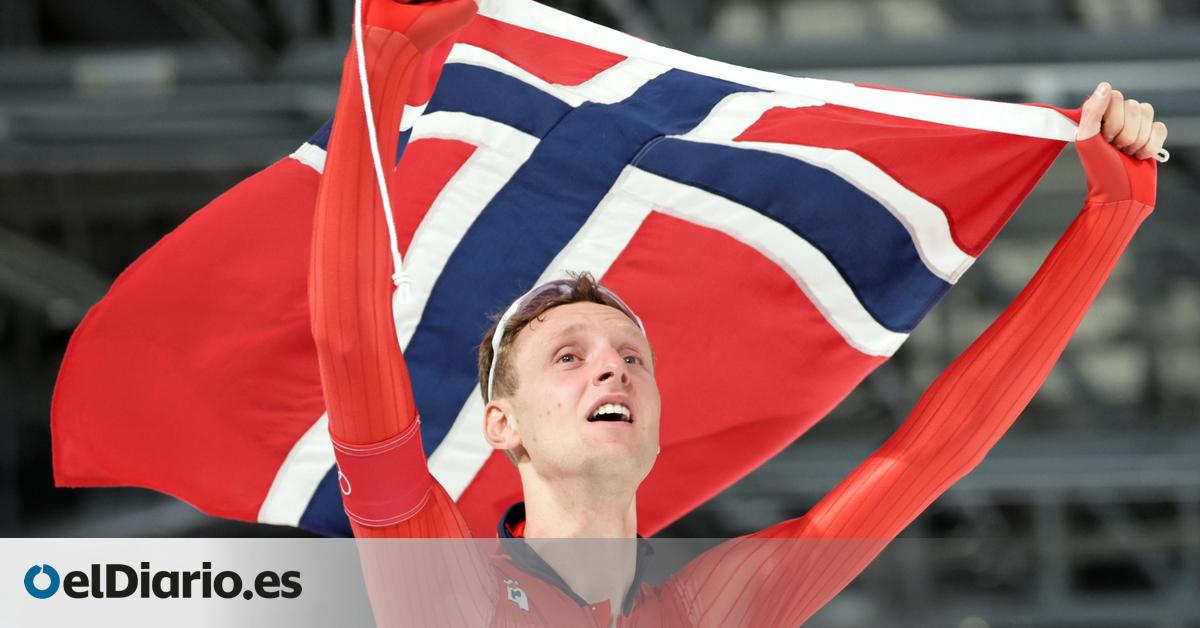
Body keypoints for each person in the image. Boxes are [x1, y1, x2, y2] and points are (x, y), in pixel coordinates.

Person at [309, 0, 1169, 625]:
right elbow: (350, 345)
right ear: (503, 424)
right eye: (569, 357)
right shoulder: (445, 590)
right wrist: (379, 63)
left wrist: (1111, 215)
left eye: (630, 357)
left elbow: (927, 461)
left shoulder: (707, 611)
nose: (613, 368)